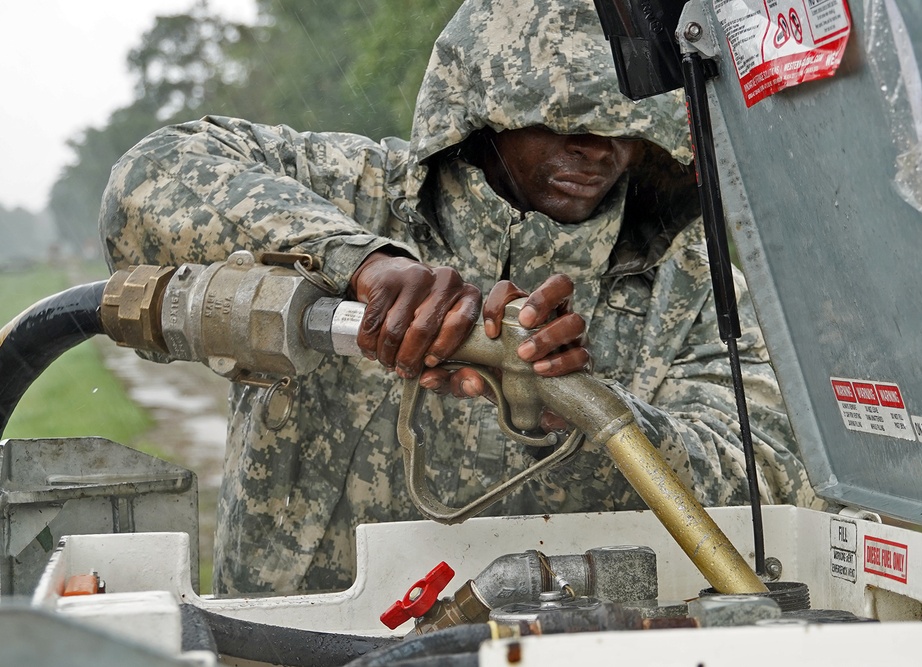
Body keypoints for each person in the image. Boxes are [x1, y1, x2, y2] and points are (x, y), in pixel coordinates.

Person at [100, 0, 819, 596]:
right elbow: (148, 181)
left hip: (551, 641)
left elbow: (772, 477)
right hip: (291, 634)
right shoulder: (357, 191)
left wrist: (571, 414)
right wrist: (362, 264)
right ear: (483, 114)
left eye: (629, 129)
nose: (601, 150)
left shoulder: (685, 275)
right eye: (568, 122)